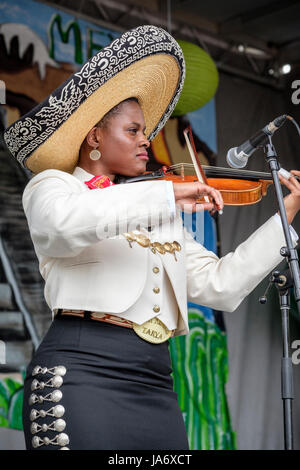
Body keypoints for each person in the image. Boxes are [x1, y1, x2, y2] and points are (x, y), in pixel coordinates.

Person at [4, 26, 300, 451]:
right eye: (134, 130)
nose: (147, 140)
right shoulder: (55, 186)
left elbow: (221, 286)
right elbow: (62, 226)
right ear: (95, 137)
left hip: (155, 383)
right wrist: (169, 192)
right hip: (84, 371)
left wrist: (284, 217)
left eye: (145, 131)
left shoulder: (157, 212)